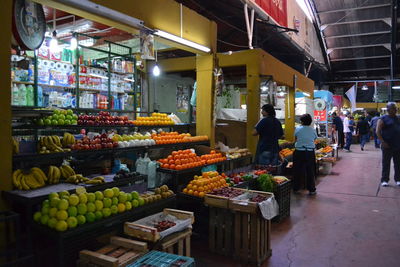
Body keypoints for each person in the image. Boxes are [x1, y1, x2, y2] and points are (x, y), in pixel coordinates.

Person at [376, 102, 400, 187]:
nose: (395, 110)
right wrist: (382, 142)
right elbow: (378, 131)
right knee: (386, 163)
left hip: (397, 145)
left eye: (396, 108)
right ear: (388, 109)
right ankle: (385, 180)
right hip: (387, 145)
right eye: (393, 108)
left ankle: (398, 179)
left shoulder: (398, 118)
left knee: (398, 163)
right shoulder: (383, 118)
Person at [293, 114, 318, 195]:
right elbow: (314, 139)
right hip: (309, 152)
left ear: (301, 121)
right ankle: (311, 189)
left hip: (299, 151)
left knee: (297, 170)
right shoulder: (313, 130)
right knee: (310, 170)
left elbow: (295, 139)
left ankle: (296, 188)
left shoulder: (298, 129)